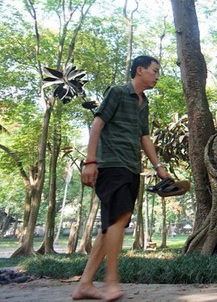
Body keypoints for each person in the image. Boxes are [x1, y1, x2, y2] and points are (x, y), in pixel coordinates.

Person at [72, 55, 169, 301]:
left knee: (112, 227)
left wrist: (158, 167)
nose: (157, 76)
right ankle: (111, 281)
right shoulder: (117, 93)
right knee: (119, 217)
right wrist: (90, 161)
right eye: (155, 71)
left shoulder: (143, 102)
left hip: (131, 167)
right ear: (140, 70)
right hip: (110, 165)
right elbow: (97, 124)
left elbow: (143, 137)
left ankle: (84, 284)